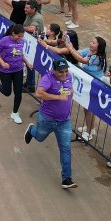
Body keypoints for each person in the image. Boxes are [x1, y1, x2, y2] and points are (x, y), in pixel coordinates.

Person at [23, 58, 77, 189]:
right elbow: (39, 93)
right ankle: (32, 130)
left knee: (66, 149)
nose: (64, 74)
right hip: (47, 119)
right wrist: (58, 97)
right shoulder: (48, 78)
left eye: (66, 71)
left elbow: (70, 90)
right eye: (61, 72)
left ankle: (66, 179)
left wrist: (70, 93)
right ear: (54, 71)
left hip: (64, 121)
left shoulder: (69, 76)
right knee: (39, 137)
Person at [0, 24, 27, 124]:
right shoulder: (4, 40)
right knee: (7, 92)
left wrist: (27, 63)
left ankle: (15, 113)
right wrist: (2, 63)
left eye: (22, 36)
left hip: (18, 70)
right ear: (13, 33)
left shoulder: (22, 41)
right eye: (19, 36)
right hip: (5, 71)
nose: (21, 38)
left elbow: (20, 54)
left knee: (18, 92)